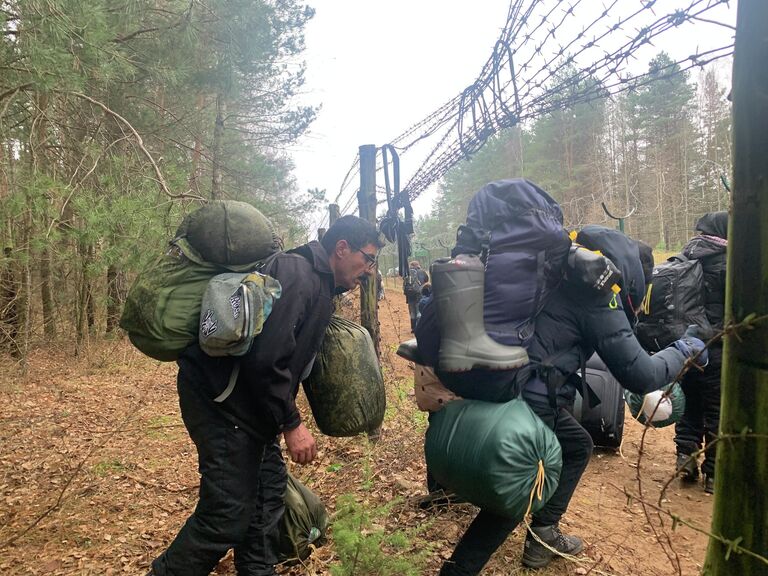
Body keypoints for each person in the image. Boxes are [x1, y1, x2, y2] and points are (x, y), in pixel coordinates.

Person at [416, 226, 707, 575]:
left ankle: (544, 532)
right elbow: (640, 374)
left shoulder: (554, 271)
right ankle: (459, 570)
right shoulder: (599, 295)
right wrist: (686, 349)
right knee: (518, 489)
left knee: (577, 445)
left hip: (500, 379)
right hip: (532, 398)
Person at [148, 215, 383, 576]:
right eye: (367, 258)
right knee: (225, 516)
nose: (368, 270)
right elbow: (266, 361)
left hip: (252, 411)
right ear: (341, 248)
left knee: (265, 500)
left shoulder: (317, 283)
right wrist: (292, 423)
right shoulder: (299, 277)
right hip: (223, 406)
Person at [674, 211, 728, 494]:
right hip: (717, 346)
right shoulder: (728, 261)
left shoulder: (686, 256)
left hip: (686, 345)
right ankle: (713, 474)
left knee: (690, 401)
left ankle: (685, 456)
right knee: (717, 410)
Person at [405, 260, 429, 332]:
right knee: (419, 311)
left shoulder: (407, 273)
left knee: (412, 311)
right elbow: (426, 280)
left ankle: (413, 328)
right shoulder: (422, 272)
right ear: (418, 265)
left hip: (410, 295)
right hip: (419, 293)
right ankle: (418, 326)